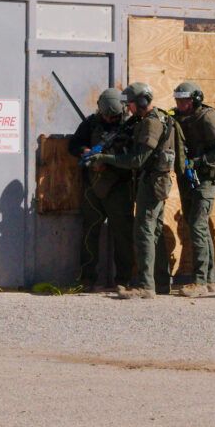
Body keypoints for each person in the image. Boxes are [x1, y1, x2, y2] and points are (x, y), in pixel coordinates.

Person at [85, 82, 174, 299]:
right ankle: (159, 282)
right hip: (153, 181)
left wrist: (105, 158)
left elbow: (137, 160)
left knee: (144, 230)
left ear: (142, 102)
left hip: (152, 182)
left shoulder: (152, 124)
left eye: (131, 104)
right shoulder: (153, 119)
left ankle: (146, 285)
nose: (129, 110)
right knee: (153, 232)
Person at [67, 88, 135, 292]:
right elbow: (74, 145)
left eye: (113, 116)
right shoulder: (91, 123)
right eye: (106, 115)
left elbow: (135, 157)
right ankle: (87, 278)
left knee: (122, 234)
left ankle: (123, 279)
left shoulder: (130, 126)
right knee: (90, 232)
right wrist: (85, 151)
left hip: (119, 186)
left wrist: (109, 162)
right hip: (93, 186)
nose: (109, 119)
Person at [172, 81, 215, 297]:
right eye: (177, 99)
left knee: (197, 225)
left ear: (195, 99)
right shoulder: (178, 117)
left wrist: (197, 162)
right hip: (188, 179)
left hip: (205, 179)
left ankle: (200, 281)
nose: (180, 103)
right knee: (198, 226)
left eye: (184, 100)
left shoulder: (208, 117)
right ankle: (209, 280)